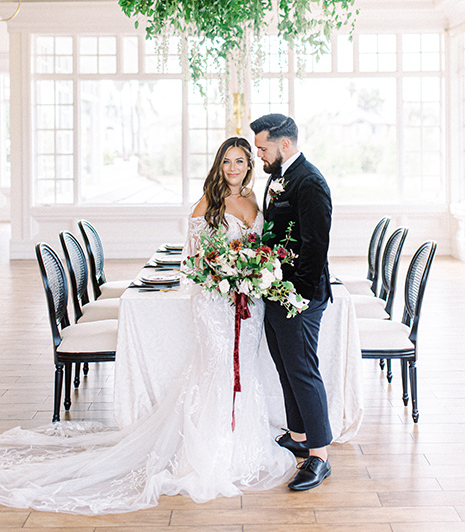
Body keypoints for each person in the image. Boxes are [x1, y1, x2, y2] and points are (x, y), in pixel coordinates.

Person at [0, 137, 295, 515]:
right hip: (214, 303)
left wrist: (250, 271)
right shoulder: (209, 202)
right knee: (216, 369)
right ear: (219, 166)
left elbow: (260, 247)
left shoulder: (255, 201)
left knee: (244, 370)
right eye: (226, 161)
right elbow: (195, 258)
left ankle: (242, 442)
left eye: (240, 161)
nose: (233, 168)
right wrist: (223, 272)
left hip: (249, 304)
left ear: (249, 166)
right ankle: (209, 449)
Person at [250, 113, 333, 491]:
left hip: (299, 297)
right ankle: (298, 436)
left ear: (284, 145)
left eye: (263, 148)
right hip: (276, 291)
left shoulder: (310, 182)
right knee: (285, 366)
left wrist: (296, 294)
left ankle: (319, 456)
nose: (259, 156)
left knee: (302, 370)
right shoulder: (278, 177)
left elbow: (316, 246)